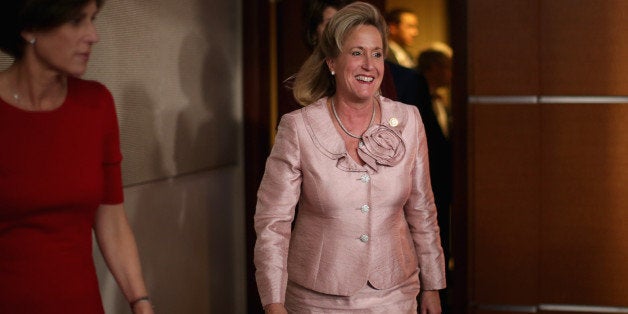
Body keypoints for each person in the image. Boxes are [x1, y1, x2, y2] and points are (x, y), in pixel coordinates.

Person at [254, 2, 446, 313]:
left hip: (395, 295)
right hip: (317, 299)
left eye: (377, 53)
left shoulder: (408, 120)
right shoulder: (298, 127)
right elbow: (273, 223)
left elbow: (422, 209)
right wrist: (274, 303)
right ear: (331, 61)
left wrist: (433, 286)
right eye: (356, 53)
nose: (369, 64)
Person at [0, 1, 154, 313]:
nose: (93, 35)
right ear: (29, 28)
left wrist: (140, 302)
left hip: (80, 303)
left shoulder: (95, 104)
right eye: (76, 21)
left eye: (92, 19)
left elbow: (111, 217)